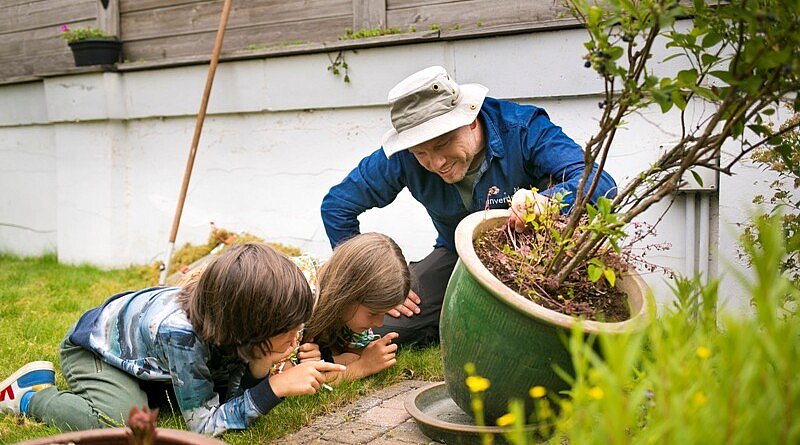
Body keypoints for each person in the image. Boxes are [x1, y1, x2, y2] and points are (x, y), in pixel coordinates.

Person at [321, 65, 617, 347]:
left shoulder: (523, 129)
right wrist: (368, 278)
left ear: (470, 119)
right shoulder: (402, 157)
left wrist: (547, 202)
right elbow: (337, 206)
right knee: (382, 325)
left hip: (538, 256)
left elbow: (600, 184)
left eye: (442, 145)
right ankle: (448, 319)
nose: (436, 163)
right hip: (458, 255)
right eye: (420, 153)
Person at [0, 243, 345, 436]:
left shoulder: (229, 322)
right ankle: (30, 395)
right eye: (288, 327)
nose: (297, 332)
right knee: (124, 423)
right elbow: (203, 427)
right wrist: (275, 386)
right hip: (95, 350)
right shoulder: (181, 334)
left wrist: (258, 367)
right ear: (251, 324)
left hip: (152, 361)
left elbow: (231, 398)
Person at [297, 232, 409, 382]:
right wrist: (361, 367)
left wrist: (335, 359)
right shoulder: (297, 296)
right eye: (373, 313)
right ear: (348, 294)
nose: (380, 323)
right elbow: (291, 382)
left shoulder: (335, 288)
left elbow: (354, 353)